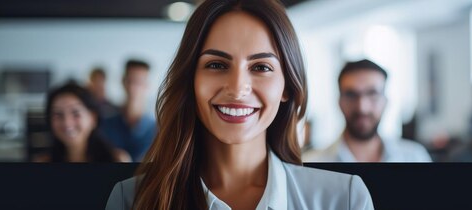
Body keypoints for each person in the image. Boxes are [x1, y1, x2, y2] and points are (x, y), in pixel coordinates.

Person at [105, 0, 374, 209]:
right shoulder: (131, 199)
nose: (237, 89)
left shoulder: (344, 199)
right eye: (216, 65)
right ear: (190, 81)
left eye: (261, 67)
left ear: (287, 87)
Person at [303, 59, 431, 162]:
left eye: (372, 94)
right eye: (351, 95)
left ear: (385, 101)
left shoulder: (416, 158)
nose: (362, 107)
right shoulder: (311, 165)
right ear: (339, 102)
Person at [36, 82, 130, 162]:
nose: (67, 123)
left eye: (76, 113)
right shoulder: (42, 161)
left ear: (93, 118)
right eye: (58, 114)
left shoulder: (118, 159)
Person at [99, 60, 157, 162]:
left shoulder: (157, 130)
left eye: (139, 82)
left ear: (147, 85)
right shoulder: (105, 124)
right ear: (123, 81)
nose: (133, 87)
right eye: (130, 80)